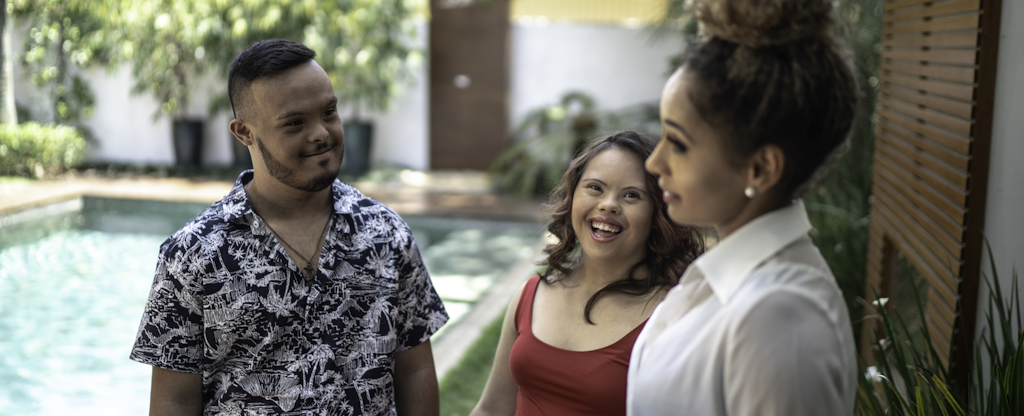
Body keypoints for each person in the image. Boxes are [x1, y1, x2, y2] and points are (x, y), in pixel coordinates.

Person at [130, 39, 448, 415]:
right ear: (244, 132)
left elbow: (414, 370)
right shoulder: (193, 255)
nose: (321, 133)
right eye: (295, 123)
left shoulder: (387, 235)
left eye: (329, 112)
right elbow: (174, 399)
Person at [627, 0, 860, 415]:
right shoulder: (731, 282)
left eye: (678, 143)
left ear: (761, 169)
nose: (654, 163)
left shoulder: (778, 318)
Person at [471, 131, 704, 416]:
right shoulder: (531, 294)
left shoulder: (673, 313)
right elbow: (491, 409)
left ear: (657, 214)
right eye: (595, 188)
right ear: (572, 196)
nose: (608, 204)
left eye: (632, 195)